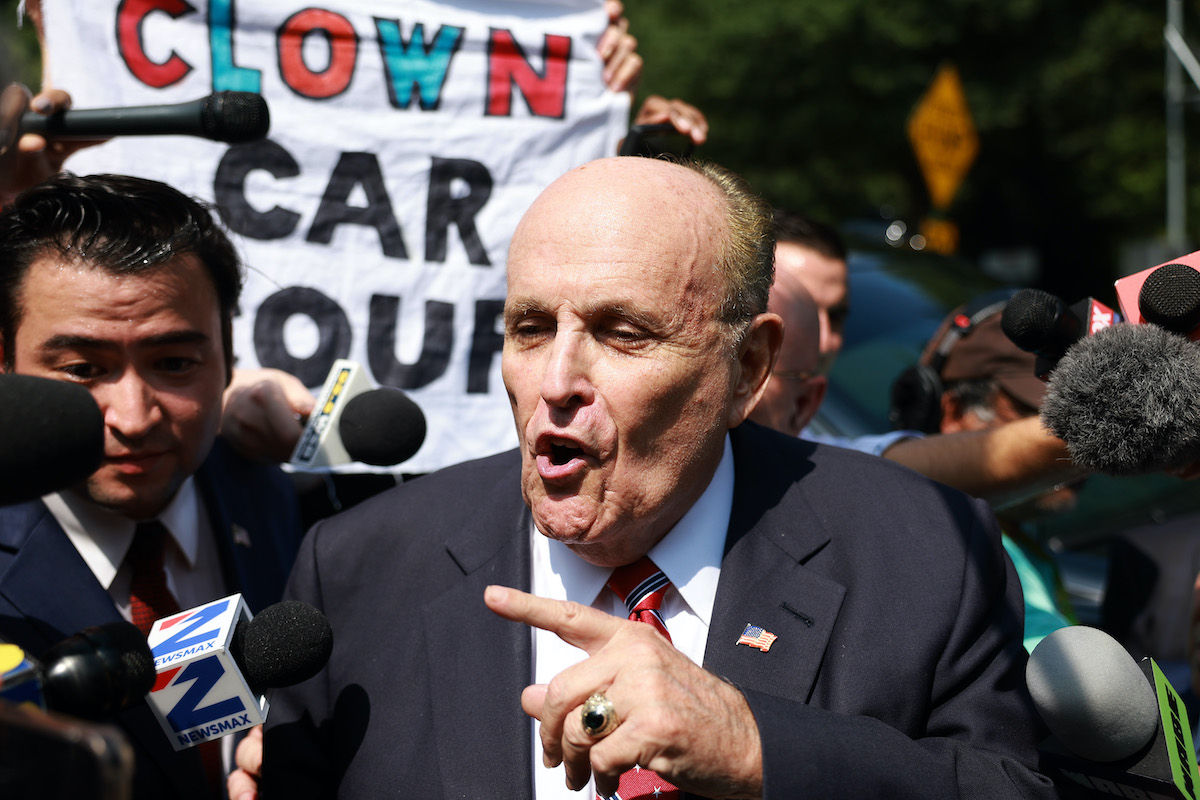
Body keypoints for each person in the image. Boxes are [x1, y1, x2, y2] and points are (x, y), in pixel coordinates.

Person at [230, 156, 1054, 799]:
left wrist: (758, 749)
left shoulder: (923, 552)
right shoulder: (358, 568)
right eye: (529, 327)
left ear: (749, 367)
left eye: (622, 333)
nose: (556, 381)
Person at [0, 172, 303, 800]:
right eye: (82, 370)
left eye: (174, 363)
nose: (134, 418)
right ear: (5, 363)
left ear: (229, 355)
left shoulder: (278, 502)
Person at [772, 208, 1085, 505]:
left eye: (838, 317)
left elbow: (891, 468)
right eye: (802, 312)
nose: (826, 341)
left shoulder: (811, 451)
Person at [894, 297, 1078, 652]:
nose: (1065, 443)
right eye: (1044, 418)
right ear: (955, 413)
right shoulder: (955, 555)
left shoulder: (1019, 542)